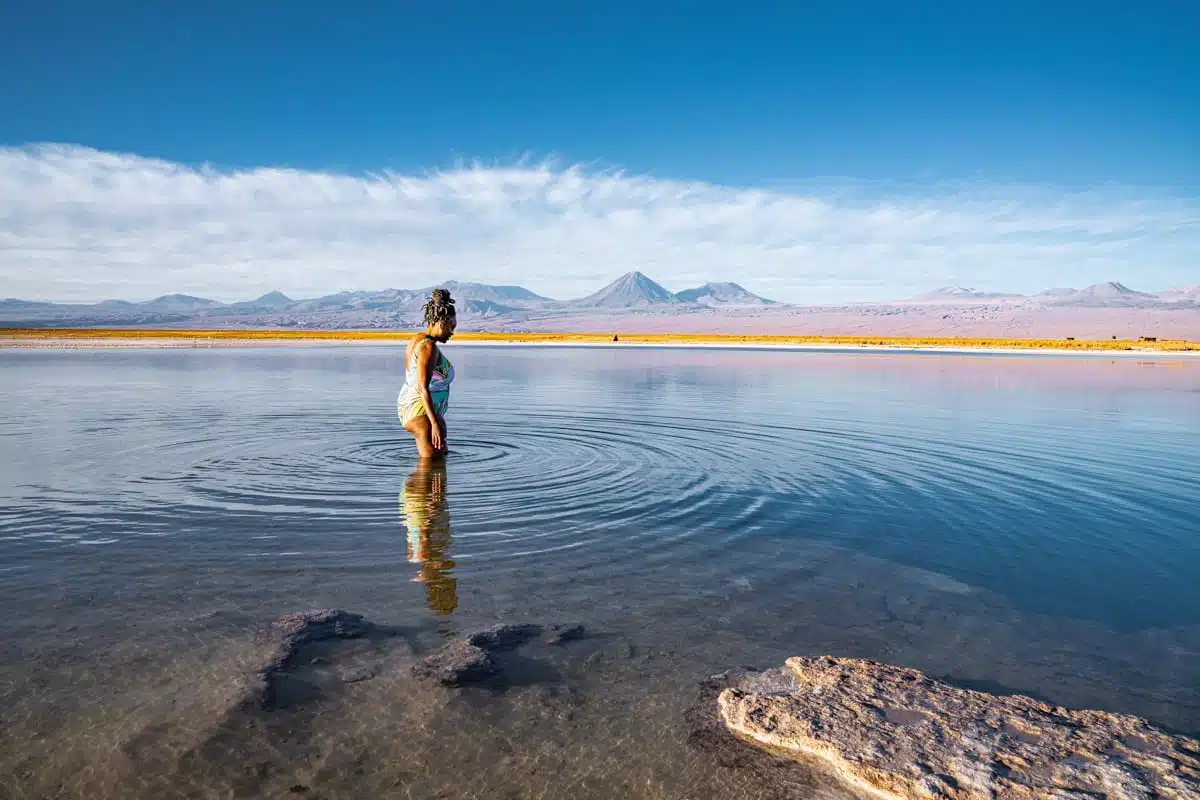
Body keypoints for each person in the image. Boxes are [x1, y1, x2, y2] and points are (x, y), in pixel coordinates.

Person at [397, 289, 457, 458]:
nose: (452, 333)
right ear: (441, 321)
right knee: (431, 470)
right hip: (420, 414)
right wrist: (433, 424)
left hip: (420, 410)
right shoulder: (427, 347)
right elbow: (422, 388)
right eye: (451, 327)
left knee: (437, 470)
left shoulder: (419, 340)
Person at [400, 460, 457, 616]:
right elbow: (423, 536)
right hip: (421, 510)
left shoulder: (424, 560)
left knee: (428, 463)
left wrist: (432, 510)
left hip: (420, 509)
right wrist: (432, 509)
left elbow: (423, 536)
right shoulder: (424, 560)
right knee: (428, 462)